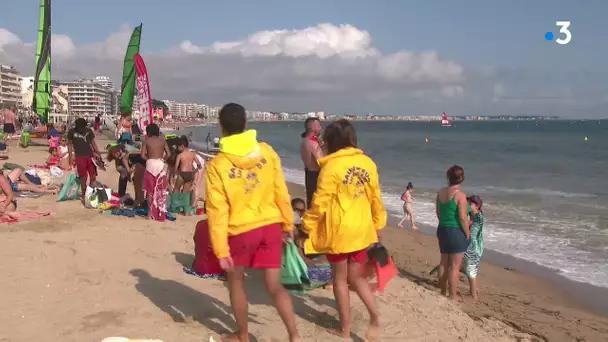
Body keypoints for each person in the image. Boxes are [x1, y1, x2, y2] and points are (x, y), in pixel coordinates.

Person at [205, 103, 300, 342]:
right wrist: (288, 222)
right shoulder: (266, 152)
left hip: (240, 230)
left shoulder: (218, 164)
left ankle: (244, 335)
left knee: (236, 282)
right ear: (246, 124)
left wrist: (220, 248)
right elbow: (281, 189)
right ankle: (295, 335)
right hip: (269, 225)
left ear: (220, 127)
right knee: (275, 286)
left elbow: (218, 211)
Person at [301, 119, 386, 340]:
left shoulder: (331, 167)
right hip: (361, 229)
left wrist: (306, 226)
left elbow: (319, 202)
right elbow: (375, 198)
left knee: (340, 279)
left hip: (339, 232)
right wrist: (378, 224)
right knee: (357, 278)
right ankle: (375, 315)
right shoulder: (368, 163)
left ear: (330, 142)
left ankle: (345, 330)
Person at [435, 165, 470, 301]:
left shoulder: (440, 192)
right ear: (461, 178)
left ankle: (443, 291)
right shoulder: (460, 195)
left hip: (442, 228)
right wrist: (467, 233)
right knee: (455, 266)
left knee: (444, 262)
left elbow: (438, 213)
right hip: (455, 230)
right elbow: (462, 217)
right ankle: (453, 295)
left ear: (448, 177)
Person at [141, 123, 170, 221]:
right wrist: (163, 160)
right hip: (160, 164)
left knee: (150, 191)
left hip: (150, 164)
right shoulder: (162, 140)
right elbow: (168, 154)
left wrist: (148, 159)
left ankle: (149, 215)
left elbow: (142, 156)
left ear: (148, 131)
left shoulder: (146, 140)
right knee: (160, 191)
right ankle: (160, 213)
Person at [68, 118, 101, 199]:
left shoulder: (89, 131)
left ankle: (91, 193)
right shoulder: (71, 132)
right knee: (83, 177)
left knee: (93, 176)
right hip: (79, 157)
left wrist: (98, 153)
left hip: (90, 156)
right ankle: (84, 194)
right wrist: (70, 157)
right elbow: (69, 145)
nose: (81, 129)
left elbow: (93, 143)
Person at [463, 195, 484, 300]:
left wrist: (466, 224)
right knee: (470, 268)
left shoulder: (478, 216)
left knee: (470, 269)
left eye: (470, 204)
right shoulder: (471, 214)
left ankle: (473, 295)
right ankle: (474, 289)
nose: (467, 206)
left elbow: (472, 233)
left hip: (473, 246)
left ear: (477, 206)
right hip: (473, 244)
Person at [299, 117, 323, 208]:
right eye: (319, 126)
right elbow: (321, 162)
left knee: (311, 202)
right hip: (315, 175)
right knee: (317, 204)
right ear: (314, 127)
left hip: (308, 173)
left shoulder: (304, 141)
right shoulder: (312, 143)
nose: (320, 128)